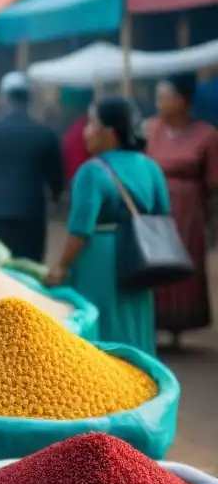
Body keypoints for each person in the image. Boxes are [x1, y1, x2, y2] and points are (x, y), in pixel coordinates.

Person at [45, 98, 170, 355]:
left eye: (92, 123)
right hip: (141, 258)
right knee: (135, 322)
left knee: (101, 327)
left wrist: (60, 267)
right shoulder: (151, 167)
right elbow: (163, 216)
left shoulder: (92, 171)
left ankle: (105, 387)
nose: (85, 131)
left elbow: (80, 230)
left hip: (99, 260)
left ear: (110, 132)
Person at [146, 75, 218, 346]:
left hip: (189, 213)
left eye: (165, 97)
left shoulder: (207, 135)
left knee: (185, 263)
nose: (160, 103)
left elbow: (213, 181)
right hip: (153, 211)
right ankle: (153, 322)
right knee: (152, 262)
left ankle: (178, 326)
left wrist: (211, 219)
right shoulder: (149, 129)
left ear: (182, 100)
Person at [0, 72, 63, 262]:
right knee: (28, 272)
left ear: (3, 98)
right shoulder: (46, 134)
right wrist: (55, 201)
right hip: (31, 214)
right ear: (30, 99)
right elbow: (57, 182)